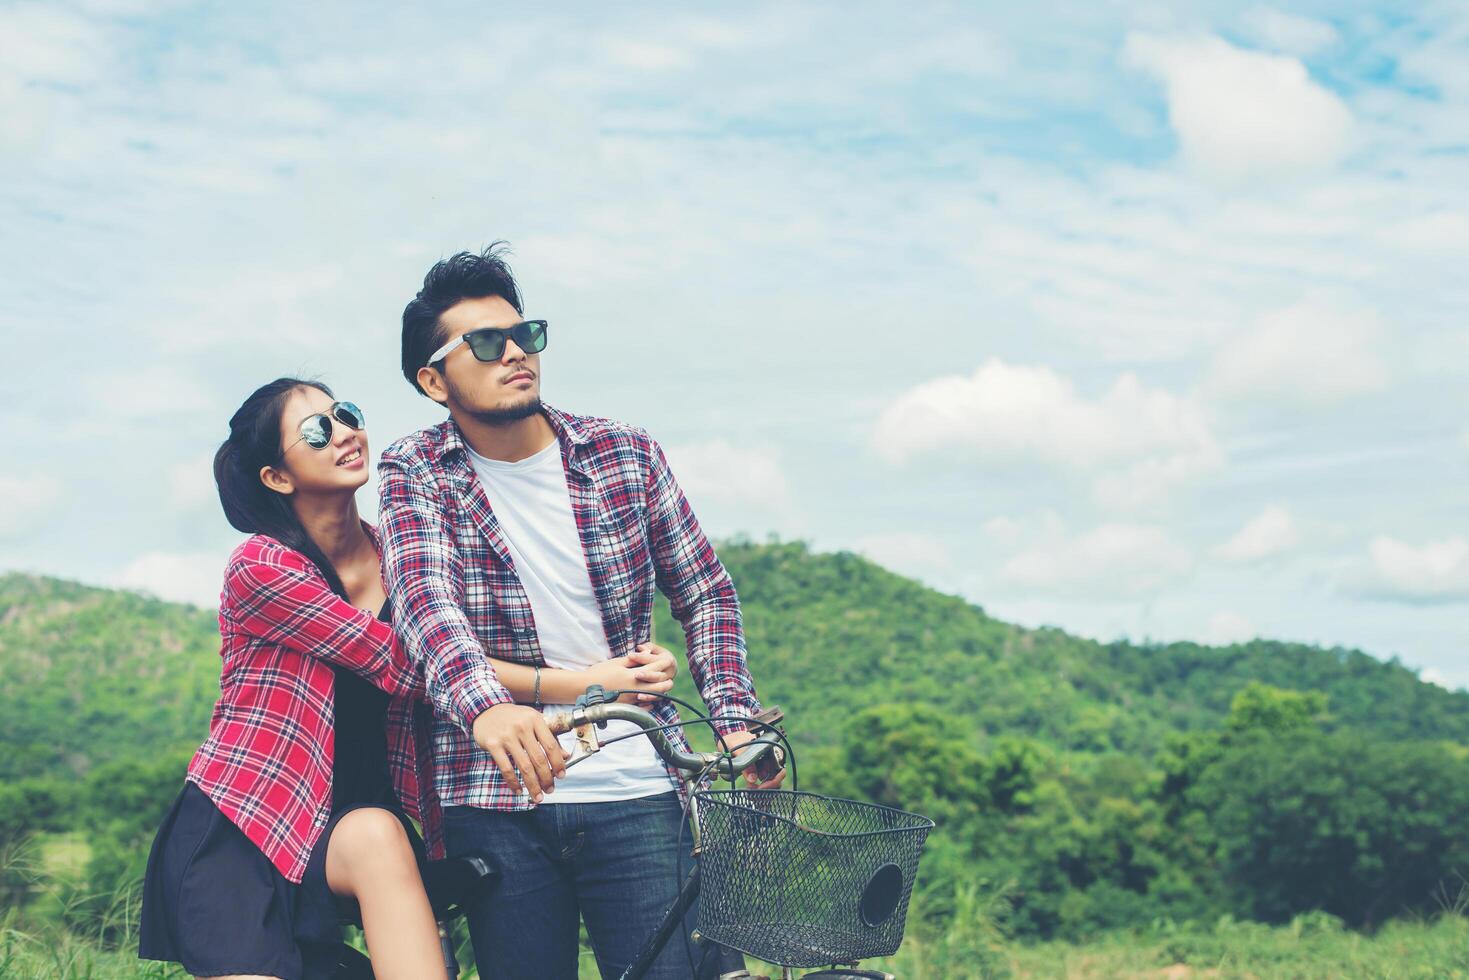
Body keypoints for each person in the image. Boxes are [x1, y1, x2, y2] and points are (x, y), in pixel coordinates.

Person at [377, 244, 784, 980]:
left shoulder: (624, 453)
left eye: (524, 335)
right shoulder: (416, 469)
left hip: (638, 784)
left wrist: (732, 713)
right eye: (485, 343)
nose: (514, 355)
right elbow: (424, 603)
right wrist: (485, 708)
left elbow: (704, 591)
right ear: (433, 381)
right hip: (494, 794)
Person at [137, 379, 447, 980]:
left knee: (380, 834)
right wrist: (570, 682)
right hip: (244, 833)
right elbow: (411, 665)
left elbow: (471, 642)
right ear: (277, 477)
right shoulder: (262, 566)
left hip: (345, 832)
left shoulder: (404, 558)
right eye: (316, 431)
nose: (345, 433)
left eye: (346, 414)